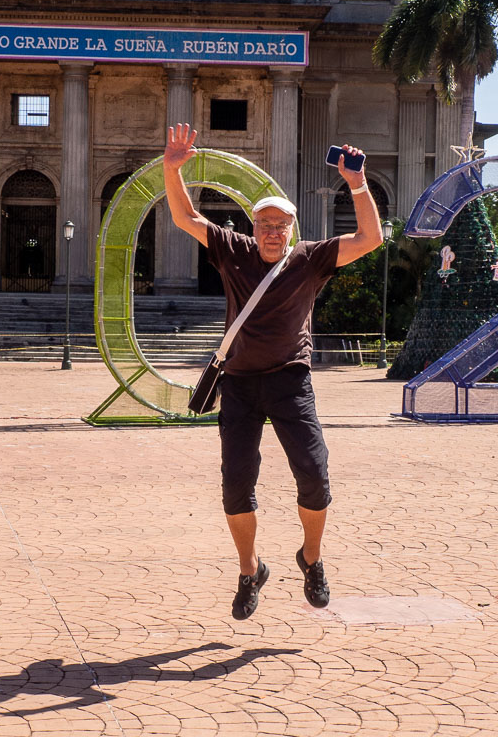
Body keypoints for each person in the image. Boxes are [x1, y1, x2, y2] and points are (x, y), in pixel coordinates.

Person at [163, 122, 383, 619]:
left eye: (280, 225)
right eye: (264, 223)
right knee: (236, 484)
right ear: (252, 226)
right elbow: (185, 216)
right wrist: (172, 170)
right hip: (240, 384)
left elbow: (370, 238)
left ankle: (312, 558)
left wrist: (357, 184)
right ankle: (250, 570)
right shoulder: (233, 249)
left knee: (314, 474)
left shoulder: (310, 259)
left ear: (291, 230)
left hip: (290, 381)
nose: (271, 232)